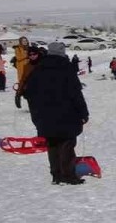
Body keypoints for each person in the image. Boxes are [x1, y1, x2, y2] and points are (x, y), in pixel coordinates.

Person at [21, 42, 89, 184]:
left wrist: (37, 112)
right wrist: (83, 112)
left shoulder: (38, 69)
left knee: (52, 144)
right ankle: (68, 175)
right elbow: (75, 93)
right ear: (62, 53)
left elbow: (28, 93)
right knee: (67, 144)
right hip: (67, 113)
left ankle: (56, 176)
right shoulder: (66, 68)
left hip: (45, 115)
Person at [13, 36, 32, 108]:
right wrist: (27, 56)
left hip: (30, 68)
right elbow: (18, 58)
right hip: (22, 68)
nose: (25, 42)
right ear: (20, 41)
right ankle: (18, 96)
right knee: (22, 84)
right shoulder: (18, 48)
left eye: (26, 40)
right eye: (23, 40)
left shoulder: (29, 48)